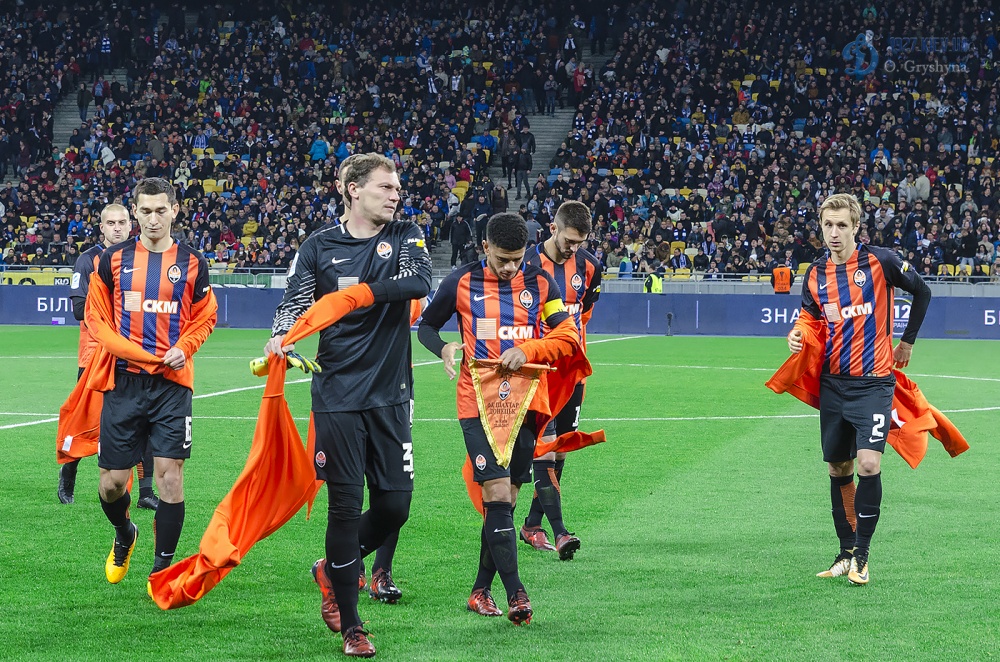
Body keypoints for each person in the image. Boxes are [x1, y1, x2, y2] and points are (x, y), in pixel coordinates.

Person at [266, 154, 431, 658]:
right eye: (385, 187)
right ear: (353, 189)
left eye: (397, 187)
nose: (395, 195)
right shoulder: (318, 246)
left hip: (391, 394)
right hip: (336, 394)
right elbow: (295, 303)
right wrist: (281, 337)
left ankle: (331, 568)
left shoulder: (406, 235)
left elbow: (418, 284)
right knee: (342, 506)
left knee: (395, 506)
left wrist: (359, 294)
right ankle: (352, 626)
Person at [417, 212, 581, 625]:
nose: (510, 268)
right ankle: (516, 594)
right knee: (496, 492)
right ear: (485, 247)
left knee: (505, 501)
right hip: (477, 403)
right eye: (502, 259)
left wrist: (528, 351)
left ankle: (479, 591)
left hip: (526, 404)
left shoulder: (540, 283)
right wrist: (444, 348)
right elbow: (426, 327)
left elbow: (567, 335)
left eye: (517, 259)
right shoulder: (460, 281)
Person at [787, 193, 931, 586]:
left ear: (856, 227)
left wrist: (907, 342)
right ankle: (845, 552)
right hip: (833, 384)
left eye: (842, 225)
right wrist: (797, 333)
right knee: (839, 467)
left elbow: (923, 291)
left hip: (874, 383)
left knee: (868, 464)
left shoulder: (881, 261)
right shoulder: (815, 274)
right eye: (828, 225)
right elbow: (809, 316)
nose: (834, 233)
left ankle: (862, 557)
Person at [88, 177, 217, 587]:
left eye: (161, 210)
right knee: (111, 485)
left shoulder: (193, 263)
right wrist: (142, 356)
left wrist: (185, 346)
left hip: (172, 386)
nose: (153, 218)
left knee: (170, 476)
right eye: (145, 211)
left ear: (175, 210)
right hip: (124, 382)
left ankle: (161, 571)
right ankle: (125, 532)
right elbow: (96, 320)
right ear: (135, 212)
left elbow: (206, 317)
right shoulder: (112, 260)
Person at [60, 204, 159, 510]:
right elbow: (80, 310)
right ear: (101, 227)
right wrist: (120, 308)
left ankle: (145, 492)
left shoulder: (143, 258)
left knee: (142, 421)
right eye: (111, 223)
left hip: (133, 355)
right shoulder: (88, 260)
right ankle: (69, 473)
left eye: (122, 222)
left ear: (131, 225)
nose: (117, 227)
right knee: (85, 420)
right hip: (95, 357)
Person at [520, 201, 602, 558]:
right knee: (546, 447)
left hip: (572, 373)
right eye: (569, 240)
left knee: (562, 447)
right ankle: (559, 531)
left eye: (580, 242)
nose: (573, 248)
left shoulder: (591, 267)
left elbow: (585, 314)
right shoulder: (527, 264)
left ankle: (532, 525)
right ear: (553, 228)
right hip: (539, 372)